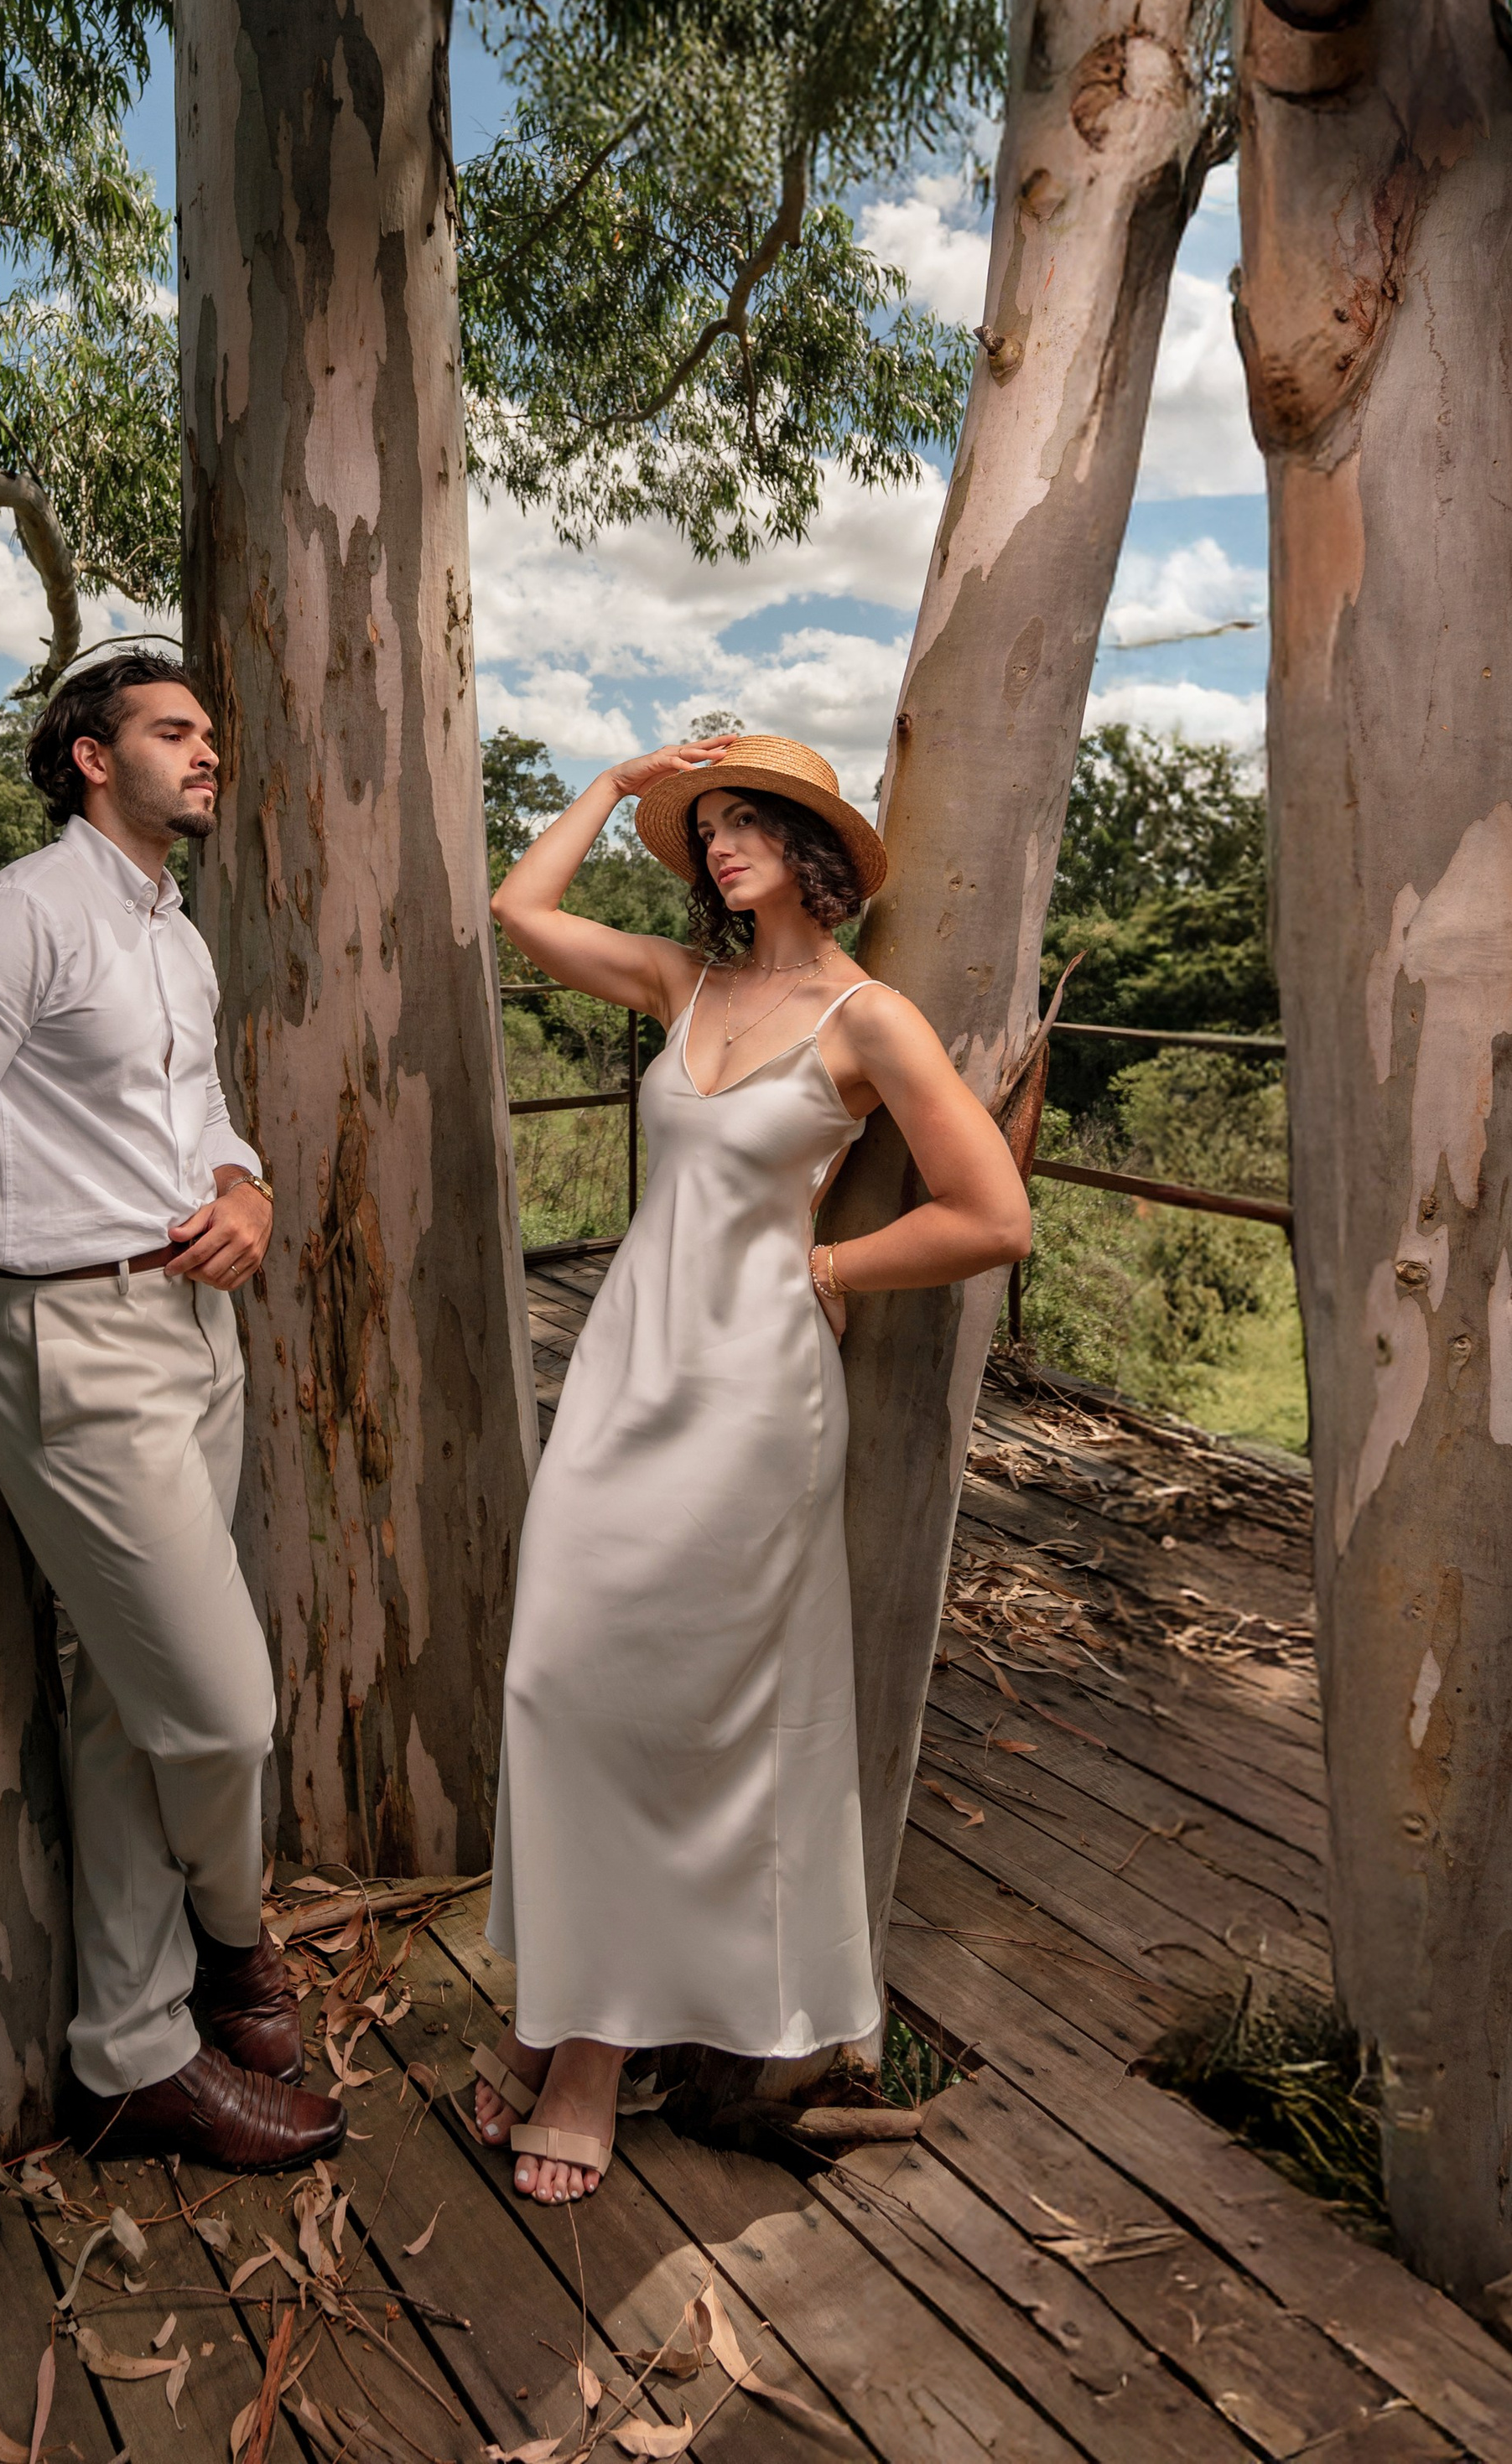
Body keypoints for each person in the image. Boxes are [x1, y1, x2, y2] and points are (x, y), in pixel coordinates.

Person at [476, 729, 1031, 2204]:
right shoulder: (685, 983)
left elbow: (994, 1215)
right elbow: (519, 913)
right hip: (622, 1377)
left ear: (814, 850)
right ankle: (568, 2003)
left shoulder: (871, 1019)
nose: (720, 848)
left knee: (676, 1709)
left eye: (749, 826)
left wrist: (833, 1260)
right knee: (556, 1681)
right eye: (708, 827)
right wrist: (611, 787)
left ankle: (590, 2050)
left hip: (750, 1400)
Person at [0, 649, 345, 2172]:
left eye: (210, 730)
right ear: (88, 755)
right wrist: (39, 1243)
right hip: (76, 1340)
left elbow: (192, 1111)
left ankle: (134, 2055)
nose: (207, 754)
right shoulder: (20, 915)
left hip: (200, 1328)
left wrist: (245, 1182)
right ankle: (239, 1946)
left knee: (130, 1704)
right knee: (224, 1706)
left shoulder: (173, 934)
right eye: (174, 731)